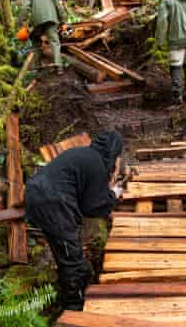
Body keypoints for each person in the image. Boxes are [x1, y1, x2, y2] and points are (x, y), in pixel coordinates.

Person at [24, 131, 124, 310]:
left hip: (35, 195)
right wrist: (112, 195)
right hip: (53, 202)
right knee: (72, 260)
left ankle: (74, 288)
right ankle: (74, 308)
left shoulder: (82, 154)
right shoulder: (97, 165)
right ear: (113, 153)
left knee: (66, 251)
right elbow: (91, 207)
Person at [18, 0, 67, 72]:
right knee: (54, 42)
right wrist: (63, 20)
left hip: (37, 22)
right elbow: (58, 6)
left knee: (35, 40)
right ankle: (59, 67)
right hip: (51, 20)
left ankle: (37, 66)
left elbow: (24, 8)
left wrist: (22, 23)